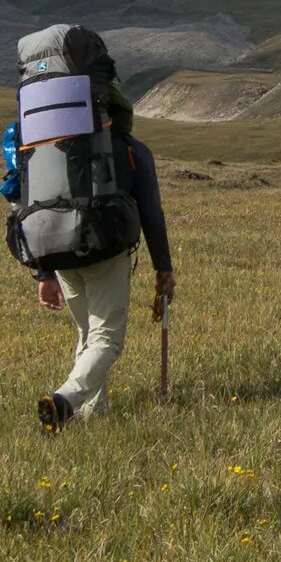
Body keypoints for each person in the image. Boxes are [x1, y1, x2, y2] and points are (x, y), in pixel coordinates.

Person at [23, 49, 175, 432]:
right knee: (106, 339)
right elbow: (152, 216)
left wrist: (44, 273)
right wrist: (163, 268)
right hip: (106, 251)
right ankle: (66, 401)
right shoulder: (133, 151)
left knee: (87, 332)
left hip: (57, 251)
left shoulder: (51, 148)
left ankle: (95, 413)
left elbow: (33, 203)